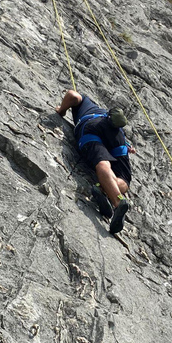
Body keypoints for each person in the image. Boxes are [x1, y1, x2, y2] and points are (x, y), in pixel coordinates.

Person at [55, 89, 133, 234]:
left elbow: (72, 95)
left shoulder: (85, 102)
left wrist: (61, 110)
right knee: (124, 179)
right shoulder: (103, 112)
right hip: (117, 135)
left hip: (92, 125)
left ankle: (117, 203)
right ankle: (104, 189)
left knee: (103, 163)